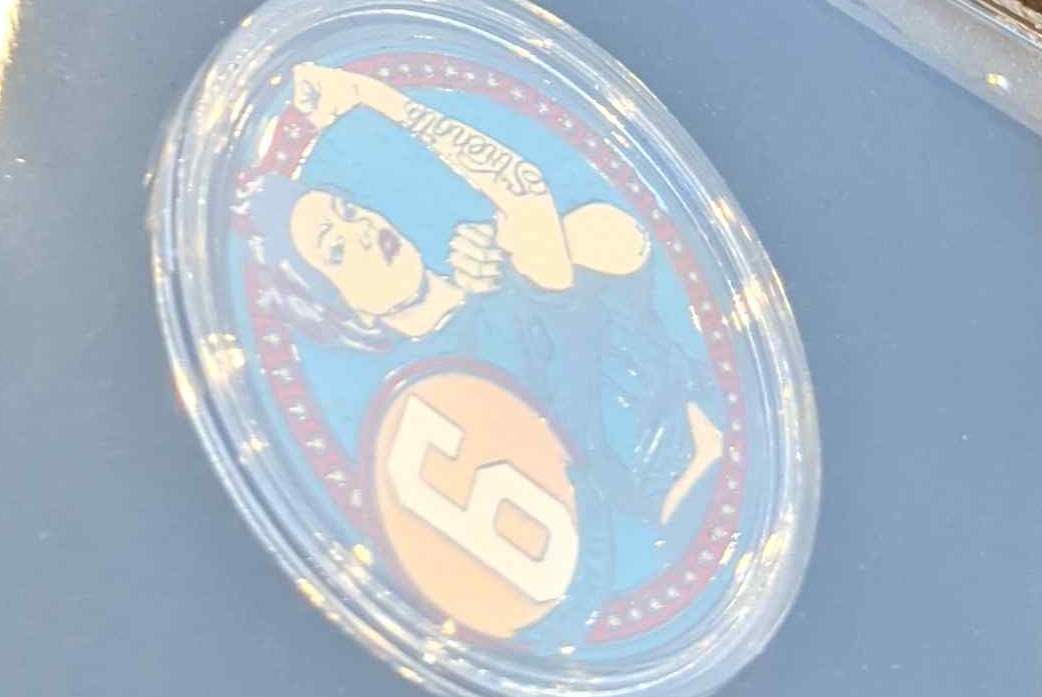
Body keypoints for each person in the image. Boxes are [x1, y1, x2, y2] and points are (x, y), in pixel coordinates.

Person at [273, 58, 725, 542]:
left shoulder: (503, 281)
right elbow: (525, 192)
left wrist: (519, 255)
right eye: (336, 249)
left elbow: (618, 240)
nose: (359, 229)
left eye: (348, 210)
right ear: (349, 314)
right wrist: (378, 100)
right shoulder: (454, 377)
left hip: (728, 434)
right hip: (690, 502)